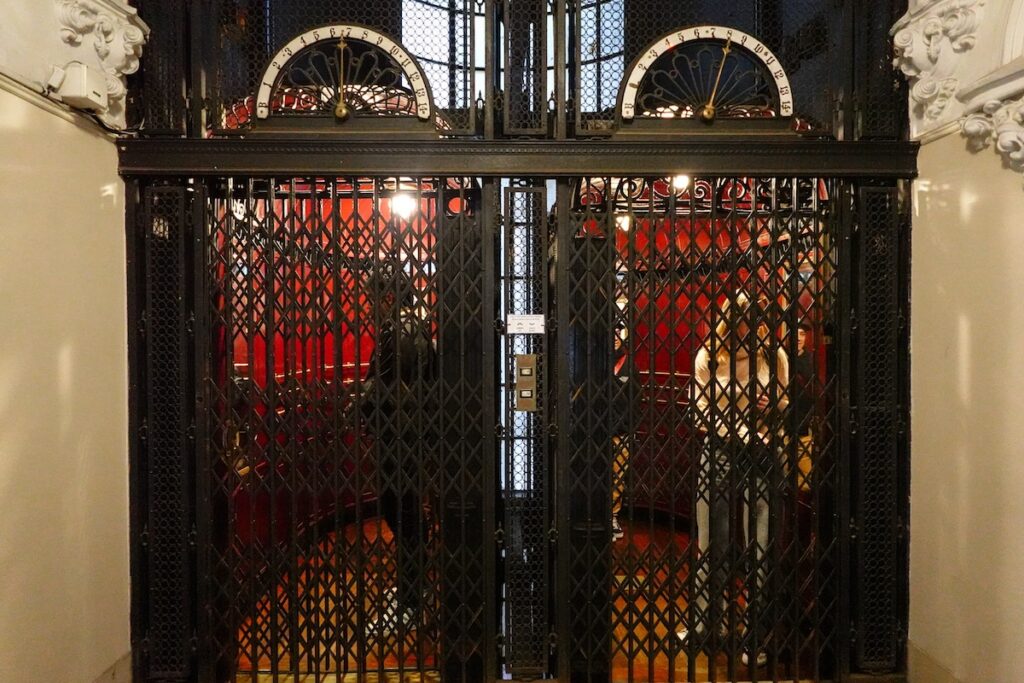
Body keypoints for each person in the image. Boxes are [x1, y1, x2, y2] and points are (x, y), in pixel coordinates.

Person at [677, 292, 789, 669]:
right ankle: (708, 626)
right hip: (722, 451)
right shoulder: (710, 356)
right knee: (714, 543)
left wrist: (772, 403)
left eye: (755, 317)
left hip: (763, 453)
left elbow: (785, 401)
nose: (749, 324)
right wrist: (739, 431)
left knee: (761, 546)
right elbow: (700, 408)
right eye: (743, 316)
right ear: (729, 318)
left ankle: (756, 634)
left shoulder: (773, 355)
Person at [361, 269, 438, 638]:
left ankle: (412, 599)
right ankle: (415, 590)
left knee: (400, 512)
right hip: (416, 437)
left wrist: (364, 405)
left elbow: (384, 388)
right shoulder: (418, 328)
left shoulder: (397, 331)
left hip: (399, 437)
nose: (371, 306)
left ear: (389, 296)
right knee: (407, 513)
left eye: (373, 297)